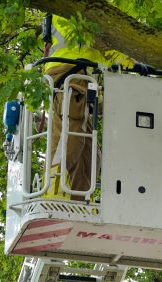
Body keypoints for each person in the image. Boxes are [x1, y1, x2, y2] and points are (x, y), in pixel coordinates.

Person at [41, 14, 130, 201]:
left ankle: (78, 201)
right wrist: (125, 58)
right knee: (69, 142)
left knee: (89, 155)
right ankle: (55, 196)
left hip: (85, 82)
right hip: (69, 76)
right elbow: (95, 36)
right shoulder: (74, 8)